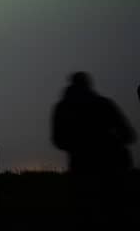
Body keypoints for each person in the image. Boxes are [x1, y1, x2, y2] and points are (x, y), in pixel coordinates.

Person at [52, 71, 136, 229]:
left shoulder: (61, 108)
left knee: (85, 214)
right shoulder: (104, 103)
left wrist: (77, 146)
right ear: (88, 85)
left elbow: (58, 140)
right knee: (115, 212)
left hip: (81, 166)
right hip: (111, 165)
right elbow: (128, 135)